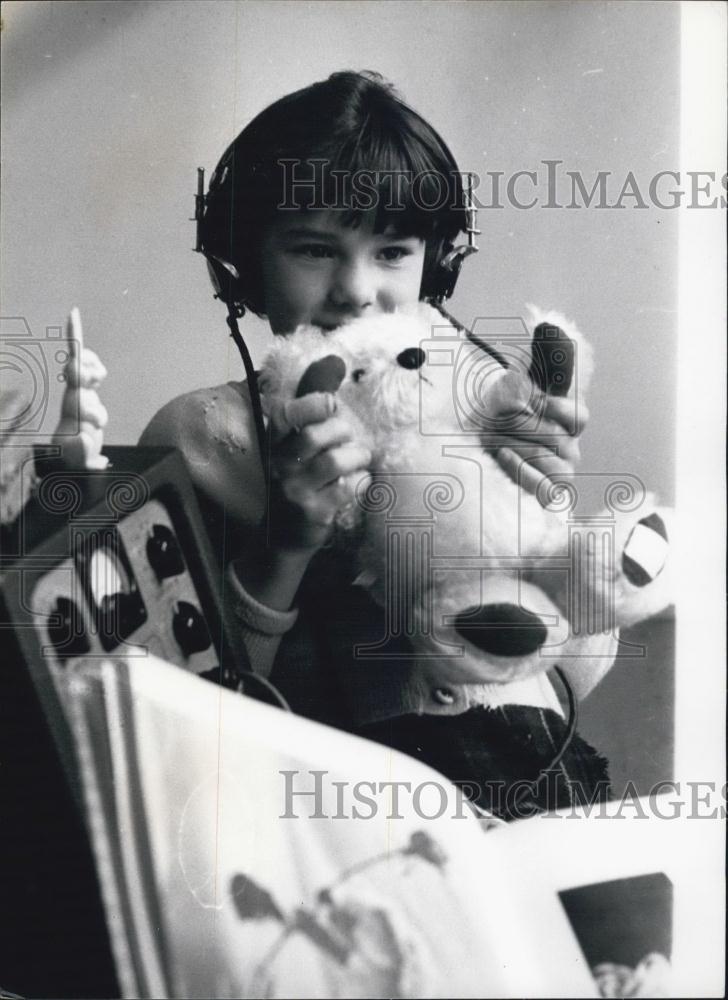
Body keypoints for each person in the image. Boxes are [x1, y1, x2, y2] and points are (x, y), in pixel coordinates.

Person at [140, 70, 609, 819]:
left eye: (393, 251)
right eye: (313, 250)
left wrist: (550, 530)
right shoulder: (201, 438)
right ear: (241, 265)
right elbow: (194, 721)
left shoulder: (475, 402)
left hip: (518, 768)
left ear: (439, 264)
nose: (357, 290)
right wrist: (286, 548)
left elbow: (576, 674)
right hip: (321, 800)